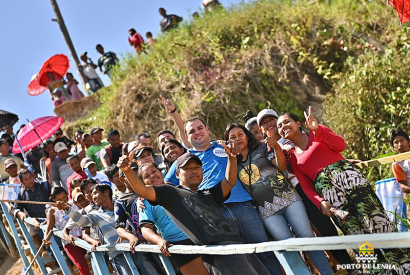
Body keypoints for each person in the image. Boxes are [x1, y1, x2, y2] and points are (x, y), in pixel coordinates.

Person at [277, 108, 410, 271]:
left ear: (298, 123)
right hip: (332, 198)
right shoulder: (293, 158)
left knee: (378, 223)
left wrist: (318, 129)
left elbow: (340, 145)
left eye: (286, 122)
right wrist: (322, 203)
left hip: (351, 181)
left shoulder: (318, 132)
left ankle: (404, 266)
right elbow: (306, 186)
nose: (283, 126)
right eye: (279, 126)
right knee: (357, 237)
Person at [119, 148, 270, 275]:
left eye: (197, 167)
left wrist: (231, 158)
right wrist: (127, 171)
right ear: (177, 174)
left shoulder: (207, 194)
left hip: (238, 245)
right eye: (187, 168)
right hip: (217, 252)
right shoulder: (169, 193)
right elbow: (143, 190)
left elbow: (229, 181)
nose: (193, 171)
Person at [164, 117, 283, 274]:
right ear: (186, 137)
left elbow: (251, 152)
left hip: (244, 206)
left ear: (207, 129)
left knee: (264, 251)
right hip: (216, 215)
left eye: (200, 128)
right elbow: (166, 186)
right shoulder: (184, 160)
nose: (197, 133)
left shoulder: (225, 146)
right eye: (191, 131)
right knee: (239, 258)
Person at [224, 123, 333, 275]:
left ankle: (327, 272)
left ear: (247, 135)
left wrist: (276, 148)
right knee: (288, 248)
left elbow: (281, 166)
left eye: (240, 134)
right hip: (266, 210)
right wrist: (231, 157)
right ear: (228, 142)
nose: (237, 139)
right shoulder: (230, 161)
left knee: (307, 238)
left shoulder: (262, 147)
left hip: (288, 198)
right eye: (232, 137)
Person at [256, 108, 355, 268]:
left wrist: (340, 162)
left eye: (271, 120)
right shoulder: (267, 150)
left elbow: (316, 148)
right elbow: (281, 167)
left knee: (349, 222)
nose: (269, 124)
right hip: (300, 189)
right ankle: (349, 267)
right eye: (264, 123)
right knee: (326, 230)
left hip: (323, 180)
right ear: (261, 130)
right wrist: (276, 148)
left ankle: (370, 259)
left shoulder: (293, 134)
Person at [138, 163, 209, 275]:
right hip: (180, 245)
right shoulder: (145, 203)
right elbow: (145, 229)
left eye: (154, 171)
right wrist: (159, 240)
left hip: (202, 237)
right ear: (142, 183)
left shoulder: (178, 189)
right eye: (146, 176)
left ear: (161, 172)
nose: (152, 176)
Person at [56, 184, 142, 275]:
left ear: (106, 192)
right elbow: (81, 221)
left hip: (138, 249)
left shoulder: (122, 204)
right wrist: (67, 208)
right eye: (91, 195)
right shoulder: (94, 216)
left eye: (95, 193)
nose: (93, 197)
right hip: (118, 256)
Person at [114, 167, 158, 275]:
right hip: (147, 247)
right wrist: (130, 237)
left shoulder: (150, 188)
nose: (132, 175)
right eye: (127, 173)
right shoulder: (121, 201)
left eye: (134, 172)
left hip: (168, 237)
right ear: (121, 179)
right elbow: (119, 228)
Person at [43, 186, 82, 275]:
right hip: (69, 241)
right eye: (59, 199)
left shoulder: (73, 204)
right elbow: (49, 228)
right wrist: (46, 239)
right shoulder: (52, 211)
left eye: (64, 197)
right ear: (53, 199)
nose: (63, 201)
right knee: (80, 265)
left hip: (83, 236)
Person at [13, 169, 51, 250]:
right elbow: (15, 209)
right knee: (50, 249)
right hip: (39, 224)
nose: (30, 180)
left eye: (30, 177)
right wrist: (21, 214)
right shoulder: (21, 193)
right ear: (22, 182)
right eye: (26, 179)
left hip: (52, 219)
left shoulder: (44, 185)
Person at [61, 187, 92, 275]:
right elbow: (65, 230)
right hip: (88, 242)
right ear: (75, 203)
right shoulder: (77, 214)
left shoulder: (97, 206)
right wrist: (68, 237)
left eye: (83, 198)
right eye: (79, 200)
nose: (83, 201)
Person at [391, 128, 410, 217]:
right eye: (396, 142)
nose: (400, 144)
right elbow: (403, 187)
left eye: (402, 140)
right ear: (393, 146)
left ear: (408, 141)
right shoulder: (397, 164)